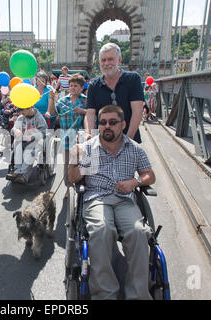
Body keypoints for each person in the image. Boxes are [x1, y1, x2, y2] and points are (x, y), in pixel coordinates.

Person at [68, 105, 156, 300]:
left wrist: (135, 182)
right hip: (97, 199)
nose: (107, 126)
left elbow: (150, 175)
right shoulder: (88, 148)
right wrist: (74, 159)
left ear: (123, 125)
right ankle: (105, 294)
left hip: (124, 200)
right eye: (103, 123)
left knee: (138, 232)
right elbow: (73, 178)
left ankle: (138, 295)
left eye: (113, 122)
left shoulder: (134, 148)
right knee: (101, 230)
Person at [85, 42, 144, 143]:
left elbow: (137, 111)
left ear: (119, 60)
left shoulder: (133, 79)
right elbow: (90, 114)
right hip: (104, 143)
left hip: (130, 139)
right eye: (103, 60)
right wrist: (89, 134)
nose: (106, 63)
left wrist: (128, 142)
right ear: (99, 62)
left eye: (110, 59)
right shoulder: (93, 86)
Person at [46, 73, 86, 194]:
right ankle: (68, 188)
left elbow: (92, 114)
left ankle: (81, 185)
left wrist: (82, 111)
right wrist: (52, 99)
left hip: (81, 140)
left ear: (81, 87)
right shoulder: (63, 100)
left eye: (76, 86)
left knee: (80, 164)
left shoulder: (85, 100)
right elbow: (52, 112)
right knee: (67, 165)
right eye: (71, 85)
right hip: (67, 139)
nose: (73, 88)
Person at [8, 106, 48, 184]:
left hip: (35, 141)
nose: (21, 113)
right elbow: (13, 129)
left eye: (22, 111)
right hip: (23, 139)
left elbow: (44, 132)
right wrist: (16, 130)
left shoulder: (39, 118)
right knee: (17, 146)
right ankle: (17, 171)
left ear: (29, 108)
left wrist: (33, 136)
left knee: (30, 151)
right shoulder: (21, 117)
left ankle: (23, 174)